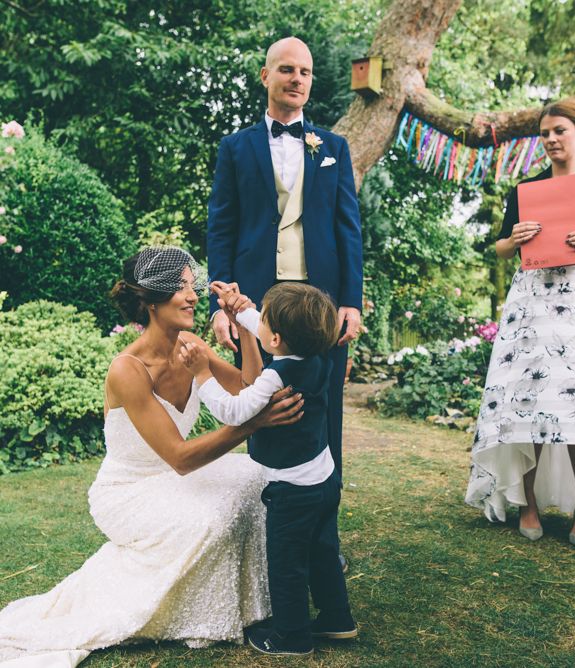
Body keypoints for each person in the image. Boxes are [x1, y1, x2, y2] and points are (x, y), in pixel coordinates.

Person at [0, 247, 303, 666]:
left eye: (192, 286)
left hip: (176, 476)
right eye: (181, 288)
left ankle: (256, 597)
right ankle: (174, 607)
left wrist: (245, 329)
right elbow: (180, 457)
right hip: (129, 491)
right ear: (153, 299)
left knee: (259, 478)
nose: (193, 295)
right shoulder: (127, 369)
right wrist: (253, 426)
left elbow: (250, 392)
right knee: (211, 518)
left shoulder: (191, 345)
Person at [465, 98, 575, 548]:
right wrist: (514, 239)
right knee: (532, 400)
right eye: (544, 134)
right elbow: (501, 247)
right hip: (534, 301)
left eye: (560, 130)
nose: (551, 140)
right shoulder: (527, 189)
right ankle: (528, 503)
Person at [206, 36, 363, 485]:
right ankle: (263, 523)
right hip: (257, 302)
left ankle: (322, 539)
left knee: (326, 407)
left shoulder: (333, 146)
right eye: (287, 69)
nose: (297, 79)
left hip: (322, 302)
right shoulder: (235, 148)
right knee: (259, 405)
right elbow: (222, 227)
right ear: (266, 76)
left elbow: (348, 228)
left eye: (305, 72)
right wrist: (222, 303)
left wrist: (350, 301)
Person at [180, 281, 357, 656]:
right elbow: (268, 327)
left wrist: (202, 374)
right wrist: (236, 307)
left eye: (262, 319)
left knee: (287, 563)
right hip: (324, 481)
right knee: (322, 551)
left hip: (292, 492)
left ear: (275, 339)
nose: (255, 321)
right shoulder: (318, 357)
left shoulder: (277, 376)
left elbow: (234, 412)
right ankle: (337, 619)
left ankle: (291, 637)